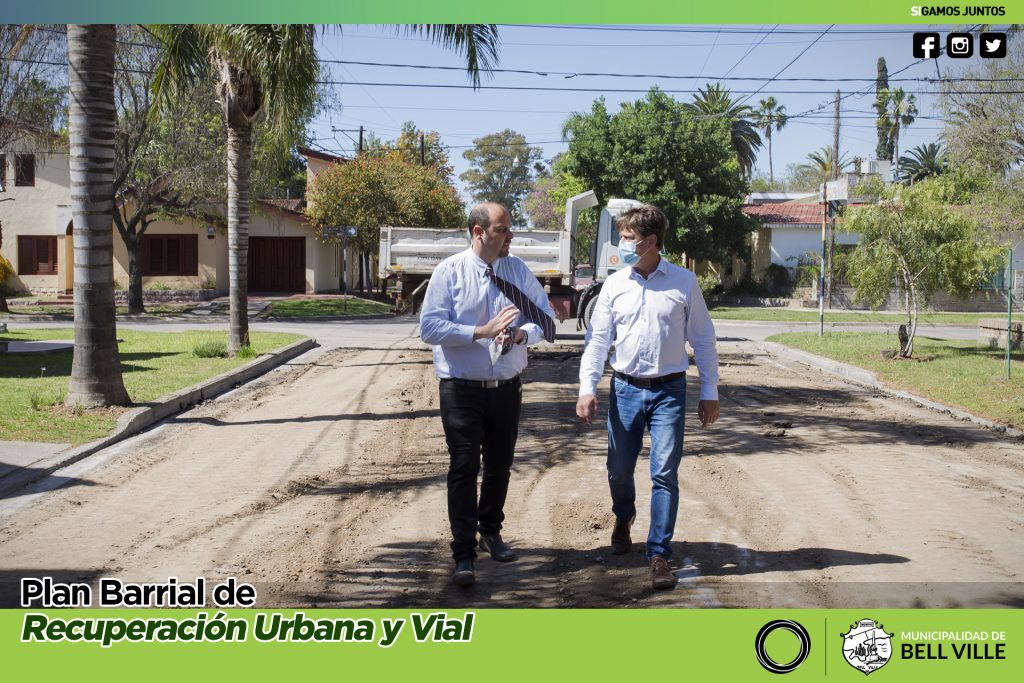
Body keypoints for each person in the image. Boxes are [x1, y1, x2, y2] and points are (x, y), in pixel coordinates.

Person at [575, 203, 720, 590]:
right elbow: (598, 341)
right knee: (619, 469)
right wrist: (587, 387)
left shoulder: (684, 283)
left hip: (669, 391)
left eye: (627, 238)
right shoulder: (614, 285)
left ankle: (658, 554)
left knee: (664, 473)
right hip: (624, 388)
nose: (620, 245)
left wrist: (710, 390)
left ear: (651, 241)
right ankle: (624, 516)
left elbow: (703, 338)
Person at [420, 202, 557, 587]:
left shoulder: (517, 271)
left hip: (506, 389)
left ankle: (490, 531)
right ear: (479, 232)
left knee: (499, 466)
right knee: (464, 468)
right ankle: (463, 553)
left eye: (509, 228)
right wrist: (479, 331)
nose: (510, 235)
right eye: (502, 229)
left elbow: (545, 318)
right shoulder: (450, 272)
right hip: (461, 390)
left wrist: (518, 335)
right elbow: (429, 328)